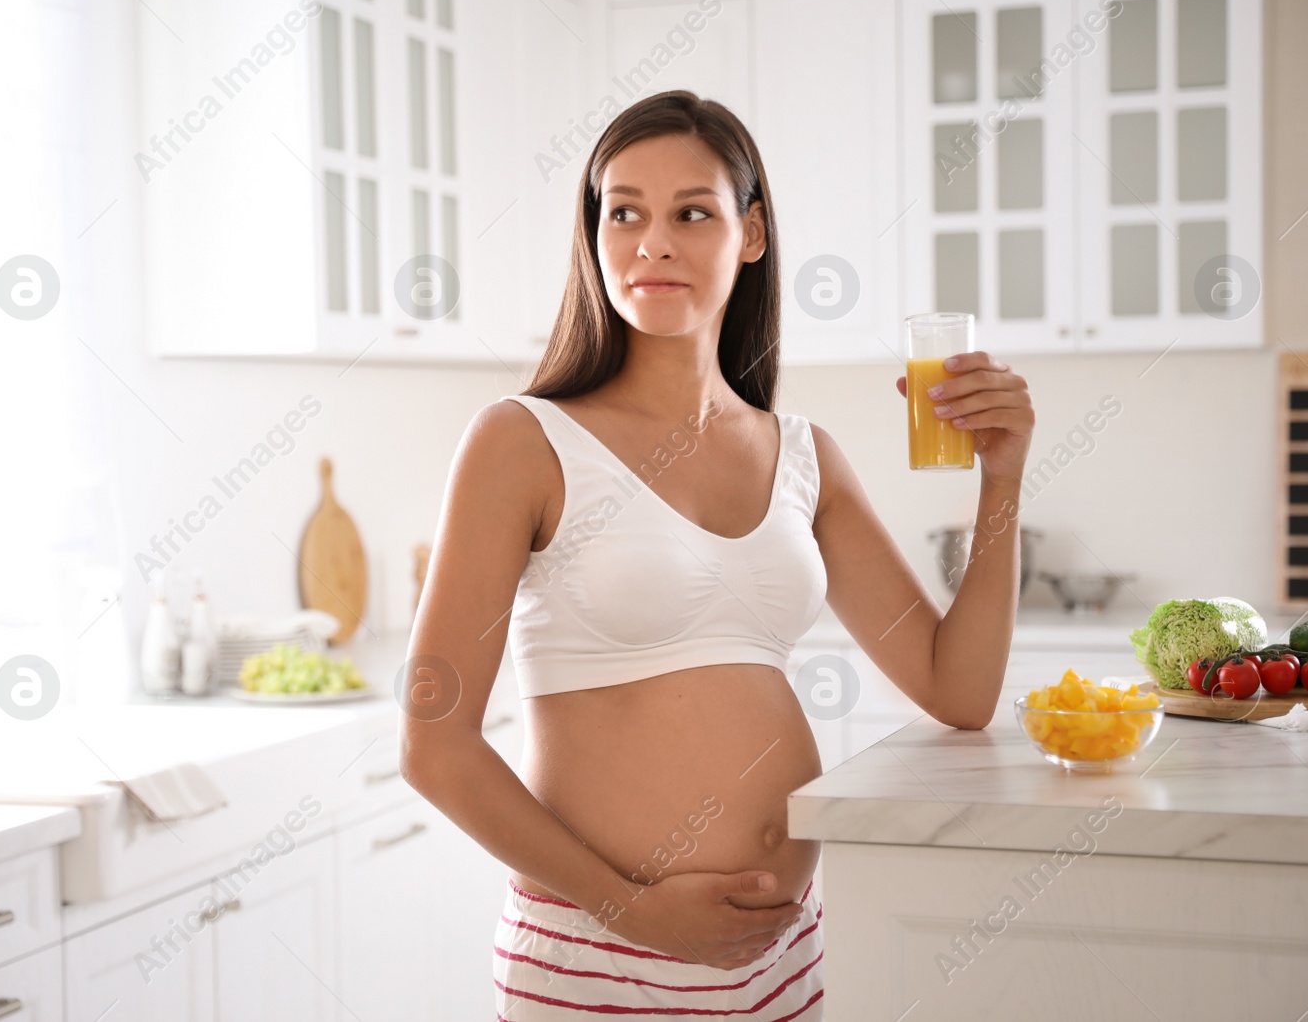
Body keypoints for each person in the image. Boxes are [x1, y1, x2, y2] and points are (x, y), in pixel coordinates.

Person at [399, 89, 1035, 1020]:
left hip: (785, 956)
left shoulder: (803, 456)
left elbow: (958, 689)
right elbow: (432, 745)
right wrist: (639, 911)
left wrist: (1003, 477)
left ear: (751, 233)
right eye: (625, 211)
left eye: (692, 212)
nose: (653, 241)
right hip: (601, 956)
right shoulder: (522, 441)